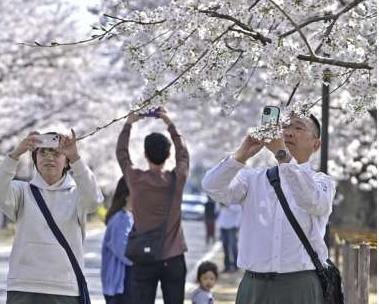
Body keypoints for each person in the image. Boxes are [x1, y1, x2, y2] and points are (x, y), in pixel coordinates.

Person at [201, 113, 336, 304]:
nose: (288, 133)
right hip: (254, 285)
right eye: (285, 127)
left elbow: (313, 202)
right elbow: (211, 187)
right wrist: (241, 154)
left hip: (301, 284)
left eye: (298, 128)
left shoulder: (322, 182)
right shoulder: (252, 178)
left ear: (316, 145)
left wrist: (283, 156)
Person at [0, 129, 104, 304]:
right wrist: (16, 153)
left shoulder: (77, 194)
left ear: (66, 162)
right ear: (35, 159)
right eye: (43, 152)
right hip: (24, 285)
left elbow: (94, 200)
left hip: (65, 286)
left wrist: (76, 158)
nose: (49, 158)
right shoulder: (22, 192)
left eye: (56, 153)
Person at [116, 107, 189, 304]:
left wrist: (128, 124)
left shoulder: (135, 178)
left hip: (144, 257)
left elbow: (121, 153)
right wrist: (169, 123)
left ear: (145, 154)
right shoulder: (177, 179)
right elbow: (184, 155)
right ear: (168, 155)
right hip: (173, 257)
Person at [101, 177, 134, 304]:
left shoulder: (127, 216)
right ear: (127, 195)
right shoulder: (120, 218)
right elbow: (125, 252)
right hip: (120, 286)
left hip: (122, 285)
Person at [218, 202, 241, 272]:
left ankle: (236, 265)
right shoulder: (224, 197)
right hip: (223, 225)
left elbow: (238, 209)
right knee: (225, 247)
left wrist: (227, 205)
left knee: (233, 246)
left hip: (232, 226)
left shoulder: (236, 198)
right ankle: (227, 266)